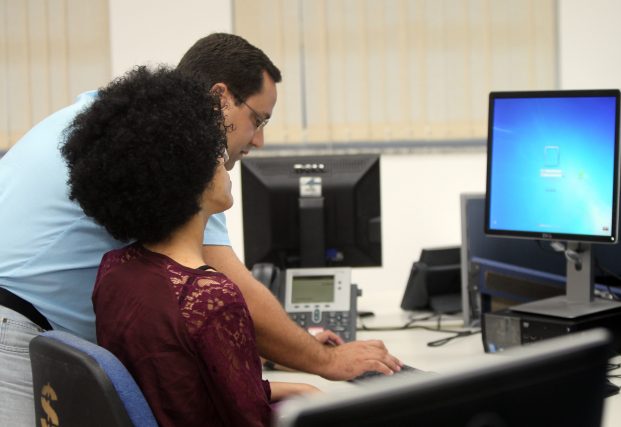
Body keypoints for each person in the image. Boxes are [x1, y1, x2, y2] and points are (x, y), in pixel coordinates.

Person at [0, 33, 401, 425]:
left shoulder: (113, 124)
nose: (259, 141)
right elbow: (223, 288)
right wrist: (326, 361)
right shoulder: (176, 159)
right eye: (257, 120)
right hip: (13, 333)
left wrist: (243, 343)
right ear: (220, 98)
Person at [61, 65, 317, 426]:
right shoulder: (210, 297)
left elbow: (184, 387)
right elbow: (250, 419)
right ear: (186, 173)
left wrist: (296, 390)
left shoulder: (116, 269)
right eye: (214, 153)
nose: (225, 163)